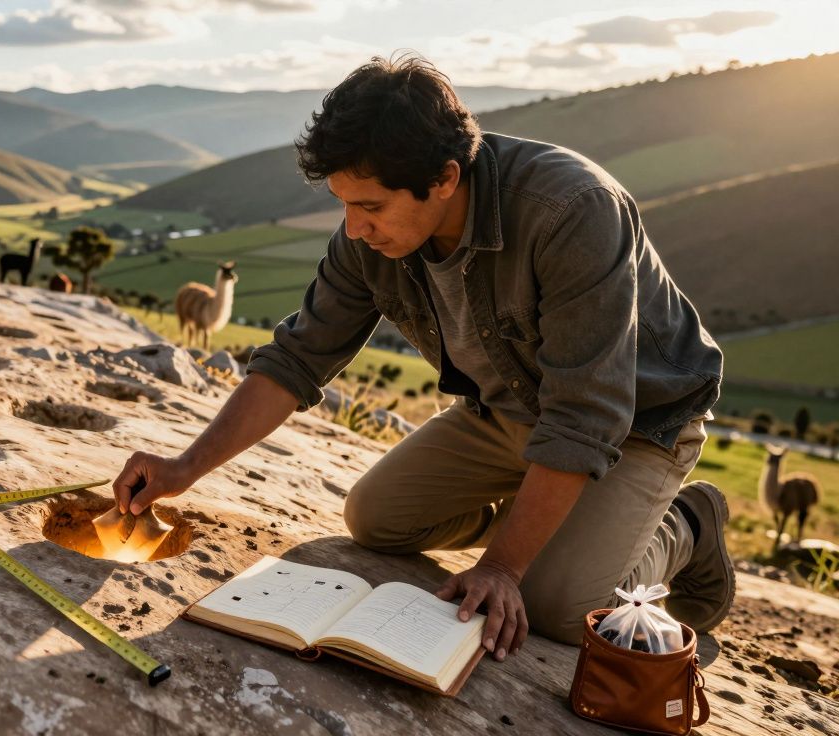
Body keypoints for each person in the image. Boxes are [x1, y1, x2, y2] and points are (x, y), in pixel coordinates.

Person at [112, 54, 731, 661]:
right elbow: (296, 359)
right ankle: (550, 515)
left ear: (444, 179)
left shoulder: (573, 210)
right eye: (343, 204)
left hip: (634, 424)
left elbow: (586, 415)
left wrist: (503, 567)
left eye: (371, 207)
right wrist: (184, 467)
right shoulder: (366, 239)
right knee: (376, 519)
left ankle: (688, 523)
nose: (352, 229)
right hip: (507, 412)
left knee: (560, 608)